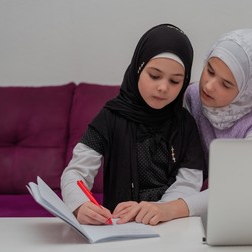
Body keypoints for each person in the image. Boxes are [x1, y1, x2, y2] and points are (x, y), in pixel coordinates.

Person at [61, 23, 205, 226]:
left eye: (175, 81)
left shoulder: (184, 124)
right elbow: (75, 172)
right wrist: (80, 205)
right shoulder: (110, 117)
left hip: (169, 224)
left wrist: (160, 210)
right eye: (154, 76)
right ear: (138, 69)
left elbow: (189, 182)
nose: (163, 87)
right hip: (118, 226)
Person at [183, 28, 252, 217]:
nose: (208, 86)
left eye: (225, 84)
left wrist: (174, 208)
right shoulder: (192, 96)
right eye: (209, 70)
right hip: (191, 193)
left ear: (248, 91)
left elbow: (239, 189)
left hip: (243, 210)